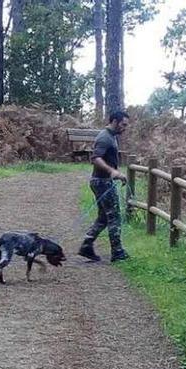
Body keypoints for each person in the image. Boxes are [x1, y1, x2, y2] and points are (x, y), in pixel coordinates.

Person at [78, 110, 130, 263]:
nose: (125, 128)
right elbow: (95, 158)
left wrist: (114, 173)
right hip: (102, 182)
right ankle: (117, 252)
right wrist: (112, 171)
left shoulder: (112, 137)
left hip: (102, 181)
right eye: (123, 124)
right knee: (114, 217)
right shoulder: (105, 137)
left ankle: (86, 246)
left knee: (103, 217)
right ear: (115, 121)